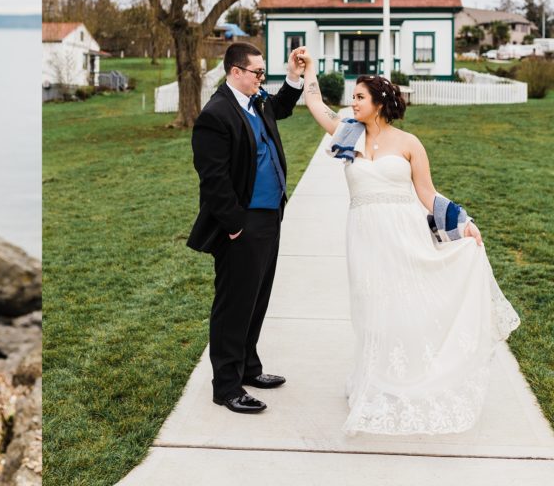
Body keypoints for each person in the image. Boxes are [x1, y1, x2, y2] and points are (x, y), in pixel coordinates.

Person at [297, 51, 520, 434]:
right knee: (369, 308)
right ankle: (374, 378)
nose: (353, 102)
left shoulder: (410, 143)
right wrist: (309, 72)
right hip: (364, 235)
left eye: (360, 97)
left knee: (406, 305)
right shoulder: (347, 131)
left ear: (380, 103)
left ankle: (412, 377)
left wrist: (463, 223)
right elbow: (315, 104)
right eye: (353, 97)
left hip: (403, 232)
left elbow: (428, 194)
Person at [187, 41, 306, 414]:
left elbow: (283, 106)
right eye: (257, 73)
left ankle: (249, 368)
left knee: (257, 300)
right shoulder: (216, 114)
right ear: (235, 72)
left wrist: (293, 75)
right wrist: (235, 225)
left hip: (270, 218)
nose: (261, 79)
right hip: (242, 225)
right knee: (233, 305)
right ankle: (226, 386)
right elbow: (213, 179)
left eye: (263, 73)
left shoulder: (256, 101)